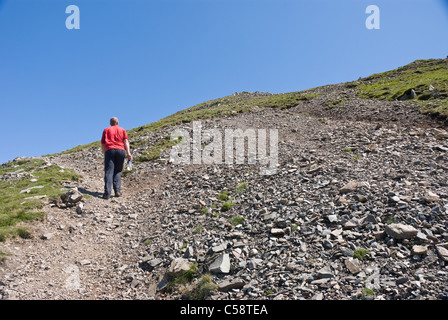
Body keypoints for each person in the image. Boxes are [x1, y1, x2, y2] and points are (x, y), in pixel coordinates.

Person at [101, 117, 132, 199]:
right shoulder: (122, 130)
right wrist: (128, 153)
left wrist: (105, 154)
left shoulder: (106, 130)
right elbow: (126, 142)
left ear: (110, 123)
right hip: (121, 150)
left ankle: (107, 193)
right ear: (117, 122)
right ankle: (117, 191)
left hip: (110, 150)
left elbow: (103, 144)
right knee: (118, 171)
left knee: (109, 171)